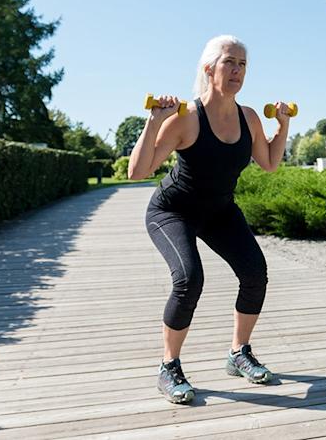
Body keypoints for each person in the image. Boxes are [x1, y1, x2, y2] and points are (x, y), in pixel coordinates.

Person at [127, 35, 292, 404]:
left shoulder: (248, 118)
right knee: (189, 278)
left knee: (254, 272)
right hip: (173, 211)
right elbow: (137, 171)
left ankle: (239, 352)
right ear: (209, 69)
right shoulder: (186, 118)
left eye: (243, 65)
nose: (237, 71)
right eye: (230, 62)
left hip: (219, 210)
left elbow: (269, 163)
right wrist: (154, 121)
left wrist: (282, 126)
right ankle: (168, 366)